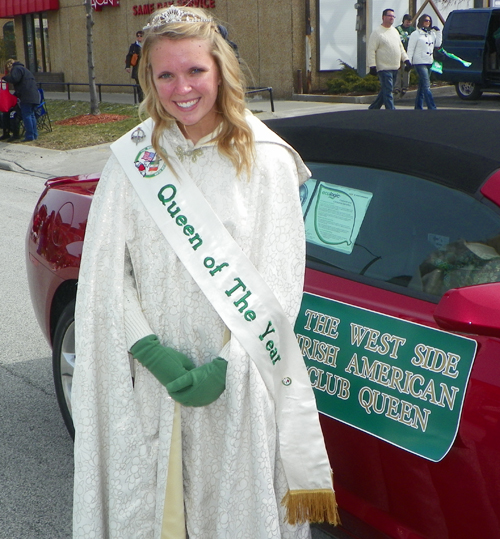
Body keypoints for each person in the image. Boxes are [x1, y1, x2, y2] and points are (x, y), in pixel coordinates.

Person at [72, 6, 338, 539]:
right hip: (152, 381)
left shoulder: (266, 161)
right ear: (149, 79)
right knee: (157, 513)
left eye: (195, 71)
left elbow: (280, 281)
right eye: (165, 74)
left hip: (237, 382)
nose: (181, 87)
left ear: (220, 69)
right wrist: (149, 349)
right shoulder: (133, 162)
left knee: (231, 510)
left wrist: (225, 365)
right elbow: (107, 274)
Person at [367, 8, 411, 110]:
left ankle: (373, 109)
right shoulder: (377, 32)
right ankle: (391, 112)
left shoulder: (395, 31)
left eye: (393, 16)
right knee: (388, 92)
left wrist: (406, 60)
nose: (392, 18)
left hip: (395, 67)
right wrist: (372, 66)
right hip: (384, 68)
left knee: (386, 90)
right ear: (383, 17)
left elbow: (400, 48)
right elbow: (371, 50)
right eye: (389, 16)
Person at [407, 14, 442, 110]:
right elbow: (410, 49)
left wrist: (438, 32)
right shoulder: (416, 34)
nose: (428, 22)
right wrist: (408, 62)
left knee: (422, 86)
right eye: (426, 20)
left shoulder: (431, 34)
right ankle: (432, 107)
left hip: (429, 61)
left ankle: (418, 107)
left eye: (429, 21)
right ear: (421, 21)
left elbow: (437, 44)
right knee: (427, 85)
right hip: (419, 62)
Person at [2, 59, 39, 142]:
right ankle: (34, 135)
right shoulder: (24, 69)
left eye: (8, 70)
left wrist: (5, 77)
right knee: (31, 115)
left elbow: (15, 79)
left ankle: (29, 136)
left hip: (26, 96)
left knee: (27, 115)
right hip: (34, 96)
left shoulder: (16, 69)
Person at [394, 14, 415, 96]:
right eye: (407, 22)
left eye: (410, 22)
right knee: (398, 70)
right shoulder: (397, 29)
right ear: (403, 21)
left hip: (408, 53)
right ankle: (397, 87)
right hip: (398, 53)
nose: (408, 23)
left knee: (406, 70)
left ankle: (405, 86)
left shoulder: (413, 30)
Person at [125, 30, 144, 102]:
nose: (139, 37)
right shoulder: (133, 46)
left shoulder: (147, 45)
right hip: (137, 69)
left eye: (141, 36)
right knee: (139, 86)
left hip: (146, 69)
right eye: (138, 36)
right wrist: (127, 66)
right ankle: (141, 101)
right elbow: (129, 56)